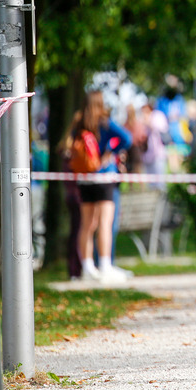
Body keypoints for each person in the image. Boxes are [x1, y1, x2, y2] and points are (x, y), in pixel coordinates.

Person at [68, 90, 132, 283]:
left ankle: (87, 267)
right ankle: (105, 265)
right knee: (104, 222)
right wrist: (110, 151)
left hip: (85, 178)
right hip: (103, 177)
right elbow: (127, 139)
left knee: (86, 224)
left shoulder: (79, 122)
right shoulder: (104, 121)